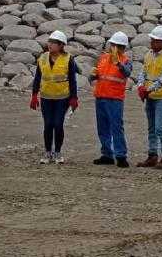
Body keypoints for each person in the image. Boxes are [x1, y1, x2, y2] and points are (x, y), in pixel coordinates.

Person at [29, 30, 79, 164]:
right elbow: (38, 78)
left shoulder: (69, 59)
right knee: (48, 125)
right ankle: (47, 152)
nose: (50, 45)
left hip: (62, 99)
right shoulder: (43, 58)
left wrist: (74, 98)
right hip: (46, 98)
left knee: (58, 124)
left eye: (53, 43)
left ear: (61, 45)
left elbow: (72, 80)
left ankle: (57, 152)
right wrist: (34, 95)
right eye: (49, 42)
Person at [135, 26, 162, 170]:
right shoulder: (148, 55)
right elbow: (143, 72)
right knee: (151, 128)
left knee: (160, 128)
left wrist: (147, 90)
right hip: (150, 97)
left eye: (155, 40)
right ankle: (152, 156)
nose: (152, 42)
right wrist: (141, 86)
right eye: (152, 39)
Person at [90, 31, 133, 168]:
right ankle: (107, 154)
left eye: (116, 46)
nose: (113, 47)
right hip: (101, 96)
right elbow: (99, 72)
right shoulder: (103, 58)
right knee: (103, 127)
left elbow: (127, 72)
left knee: (116, 127)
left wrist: (118, 63)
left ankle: (121, 156)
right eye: (113, 45)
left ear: (122, 48)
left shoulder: (125, 60)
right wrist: (93, 76)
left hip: (115, 99)